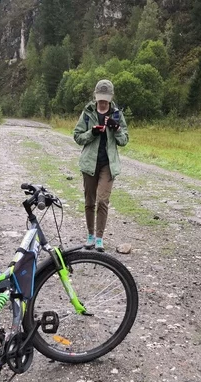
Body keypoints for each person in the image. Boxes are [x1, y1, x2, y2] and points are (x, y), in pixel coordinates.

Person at [73, 79, 129, 252]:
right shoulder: (88, 112)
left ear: (111, 98)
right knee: (89, 201)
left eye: (106, 99)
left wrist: (117, 129)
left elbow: (124, 140)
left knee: (102, 200)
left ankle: (99, 239)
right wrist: (92, 132)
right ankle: (90, 236)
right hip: (90, 164)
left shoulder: (117, 114)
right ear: (96, 97)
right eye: (100, 99)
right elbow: (77, 136)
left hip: (108, 165)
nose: (103, 102)